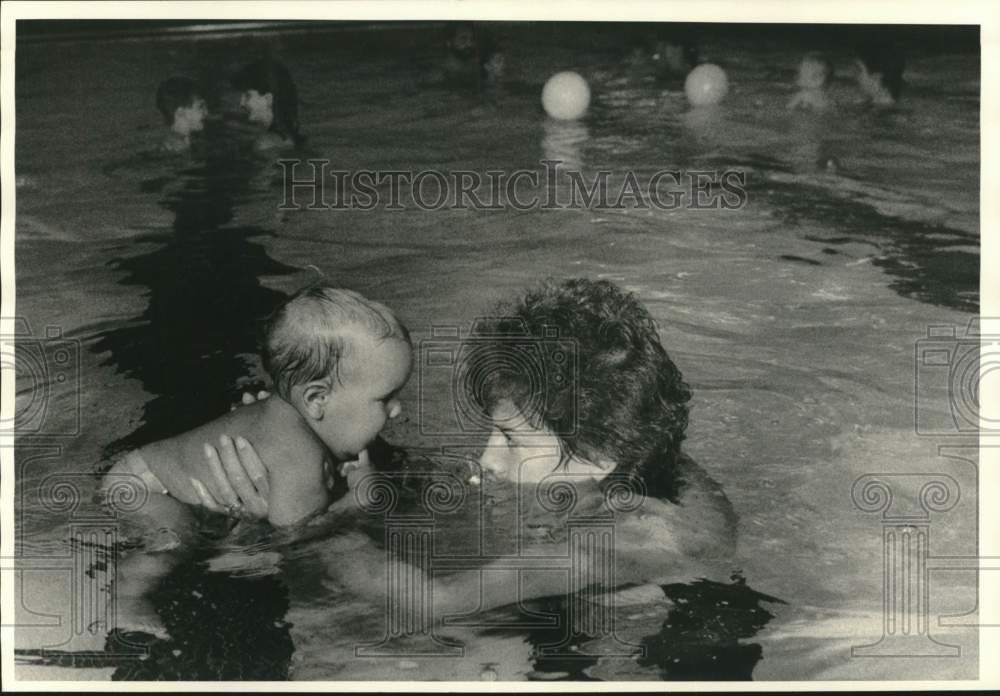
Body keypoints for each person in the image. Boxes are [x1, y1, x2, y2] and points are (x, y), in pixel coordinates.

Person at [202, 278, 736, 623]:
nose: (484, 460)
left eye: (509, 441)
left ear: (599, 457)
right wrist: (313, 442)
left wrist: (301, 527)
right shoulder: (629, 449)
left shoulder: (609, 546)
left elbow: (431, 604)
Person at [99, 283, 411, 633]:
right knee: (175, 537)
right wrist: (357, 502)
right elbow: (298, 538)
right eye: (385, 399)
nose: (397, 410)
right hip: (147, 488)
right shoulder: (299, 457)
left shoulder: (284, 414)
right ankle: (124, 600)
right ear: (317, 400)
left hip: (140, 469)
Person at [231, 58, 302, 149]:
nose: (241, 103)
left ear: (268, 99)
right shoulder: (288, 138)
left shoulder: (264, 144)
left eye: (247, 95)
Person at [155, 77, 208, 152]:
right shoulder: (173, 151)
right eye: (200, 106)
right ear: (180, 113)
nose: (206, 112)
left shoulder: (180, 144)